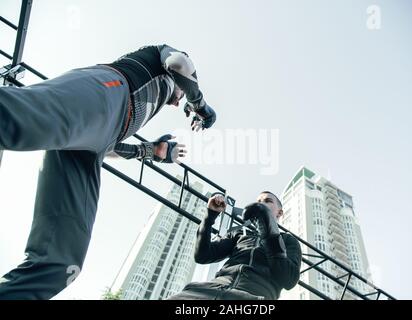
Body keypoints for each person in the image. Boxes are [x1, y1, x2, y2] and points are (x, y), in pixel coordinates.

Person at [0, 44, 216, 299]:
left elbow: (108, 146)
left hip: (99, 142)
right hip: (106, 89)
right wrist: (199, 103)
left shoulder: (151, 101)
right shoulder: (166, 57)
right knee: (12, 120)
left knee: (62, 264)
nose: (178, 102)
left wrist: (150, 151)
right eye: (181, 97)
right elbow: (179, 63)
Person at [167, 191, 301, 300]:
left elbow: (288, 280)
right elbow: (202, 255)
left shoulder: (288, 241)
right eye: (258, 202)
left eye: (268, 201)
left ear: (280, 212)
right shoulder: (239, 235)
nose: (261, 204)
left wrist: (270, 234)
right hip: (213, 289)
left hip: (255, 295)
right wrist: (210, 216)